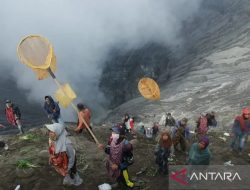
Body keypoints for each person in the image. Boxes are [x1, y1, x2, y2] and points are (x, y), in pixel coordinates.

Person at [105, 124, 134, 188]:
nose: (112, 134)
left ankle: (129, 186)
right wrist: (103, 148)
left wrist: (118, 166)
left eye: (115, 132)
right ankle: (119, 184)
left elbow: (131, 160)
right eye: (112, 132)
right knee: (117, 177)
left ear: (121, 134)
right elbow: (108, 151)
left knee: (126, 181)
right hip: (113, 165)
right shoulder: (111, 140)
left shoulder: (126, 145)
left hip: (122, 168)